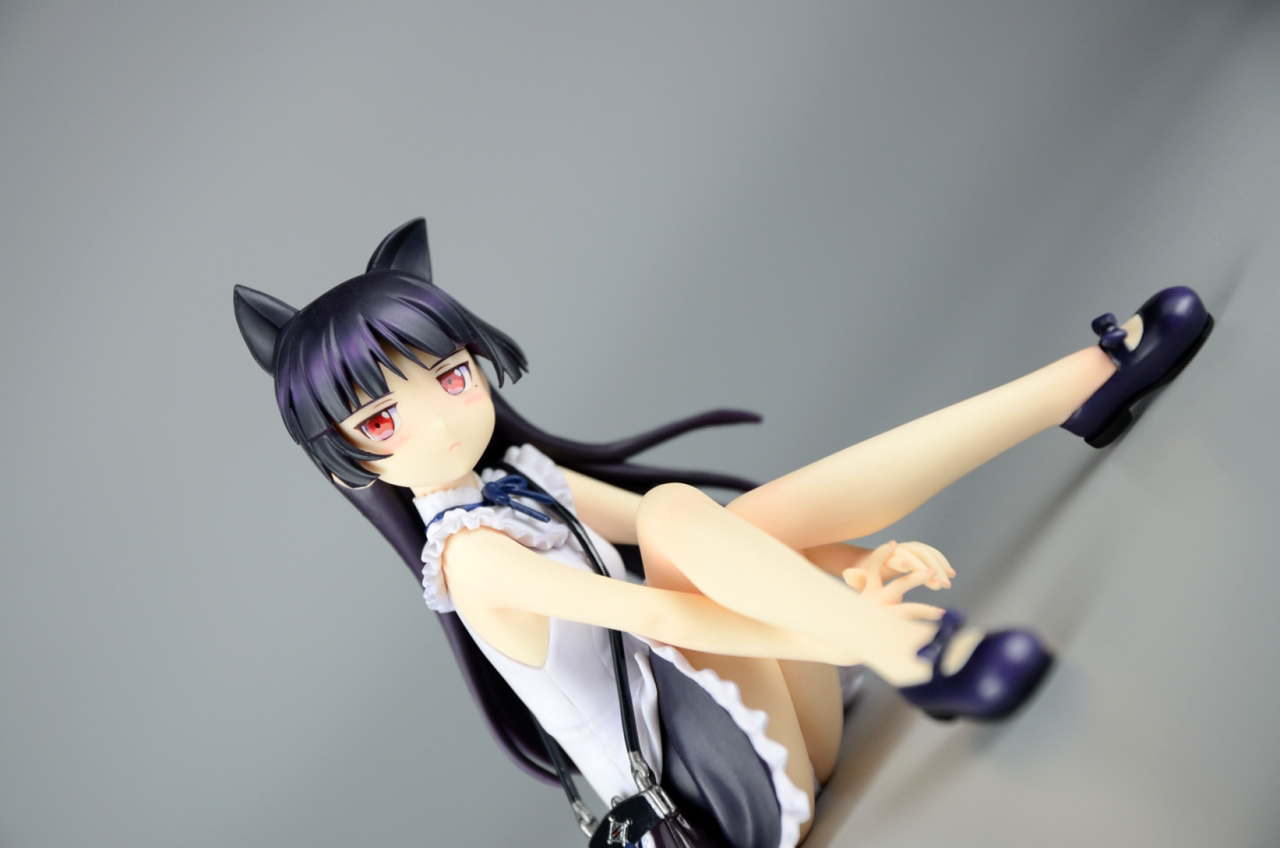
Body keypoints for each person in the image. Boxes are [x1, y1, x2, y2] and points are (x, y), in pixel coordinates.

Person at [234, 218, 1212, 848]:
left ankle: (1085, 381)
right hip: (720, 802)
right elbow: (661, 610)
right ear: (346, 460)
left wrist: (847, 572)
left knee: (714, 514)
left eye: (450, 376)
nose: (442, 421)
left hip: (762, 725)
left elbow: (713, 538)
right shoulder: (471, 558)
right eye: (382, 420)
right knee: (673, 516)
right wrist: (844, 626)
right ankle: (911, 651)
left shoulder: (516, 478)